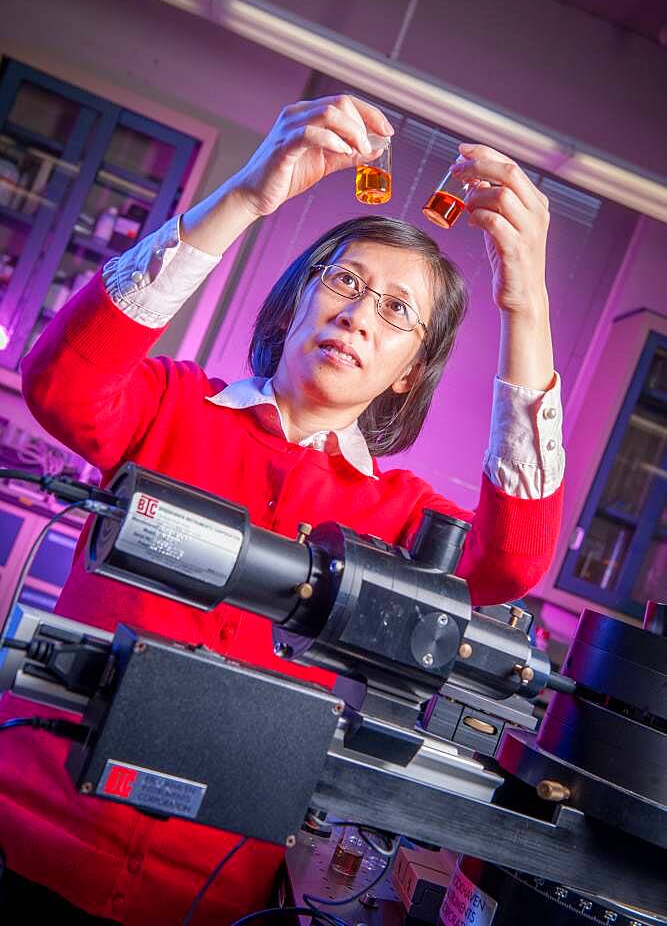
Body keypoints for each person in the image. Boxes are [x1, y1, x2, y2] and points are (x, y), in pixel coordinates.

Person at [0, 94, 564, 923]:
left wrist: (528, 306)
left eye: (396, 310)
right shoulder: (170, 405)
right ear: (299, 300)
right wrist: (248, 195)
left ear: (410, 370)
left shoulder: (403, 517)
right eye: (343, 281)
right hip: (24, 840)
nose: (357, 315)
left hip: (206, 903)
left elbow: (509, 565)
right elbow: (61, 382)